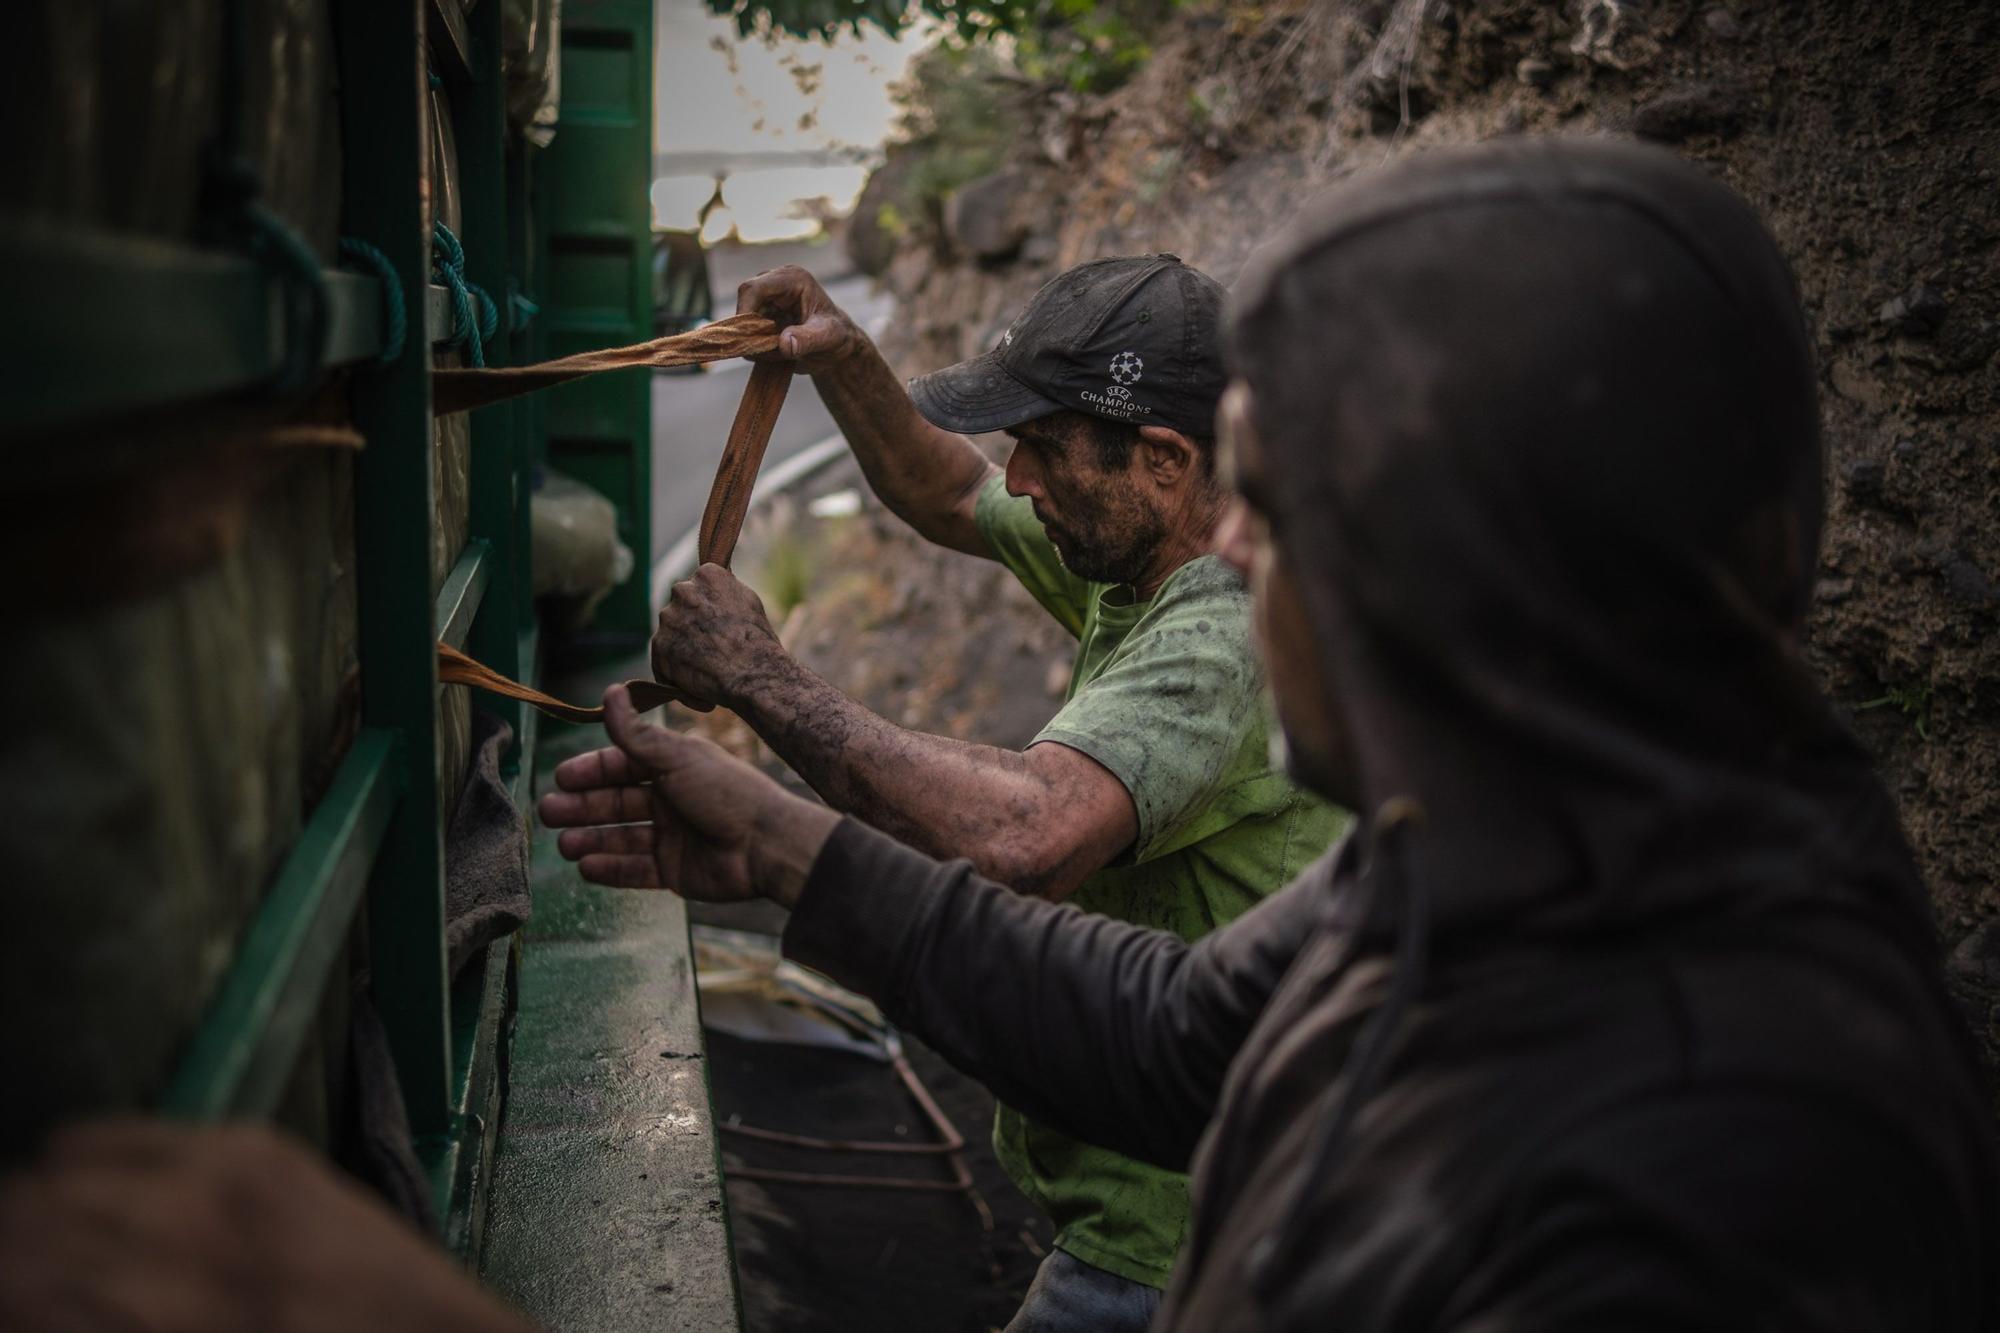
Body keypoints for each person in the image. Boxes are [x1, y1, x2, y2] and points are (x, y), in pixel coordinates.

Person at [543, 138, 2000, 1328]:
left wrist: (779, 705)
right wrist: (781, 844)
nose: (1232, 555)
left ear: (1471, 560)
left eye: (1282, 511)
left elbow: (1050, 862)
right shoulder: (1516, 854)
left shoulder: (1708, 1167)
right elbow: (1178, 1038)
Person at [644, 254, 1346, 1322]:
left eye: (1041, 448)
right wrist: (843, 357)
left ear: (1161, 458)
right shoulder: (1148, 545)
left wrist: (758, 677)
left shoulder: (1220, 628)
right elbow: (952, 491)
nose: (1017, 479)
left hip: (1179, 1232)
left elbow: (1029, 833)